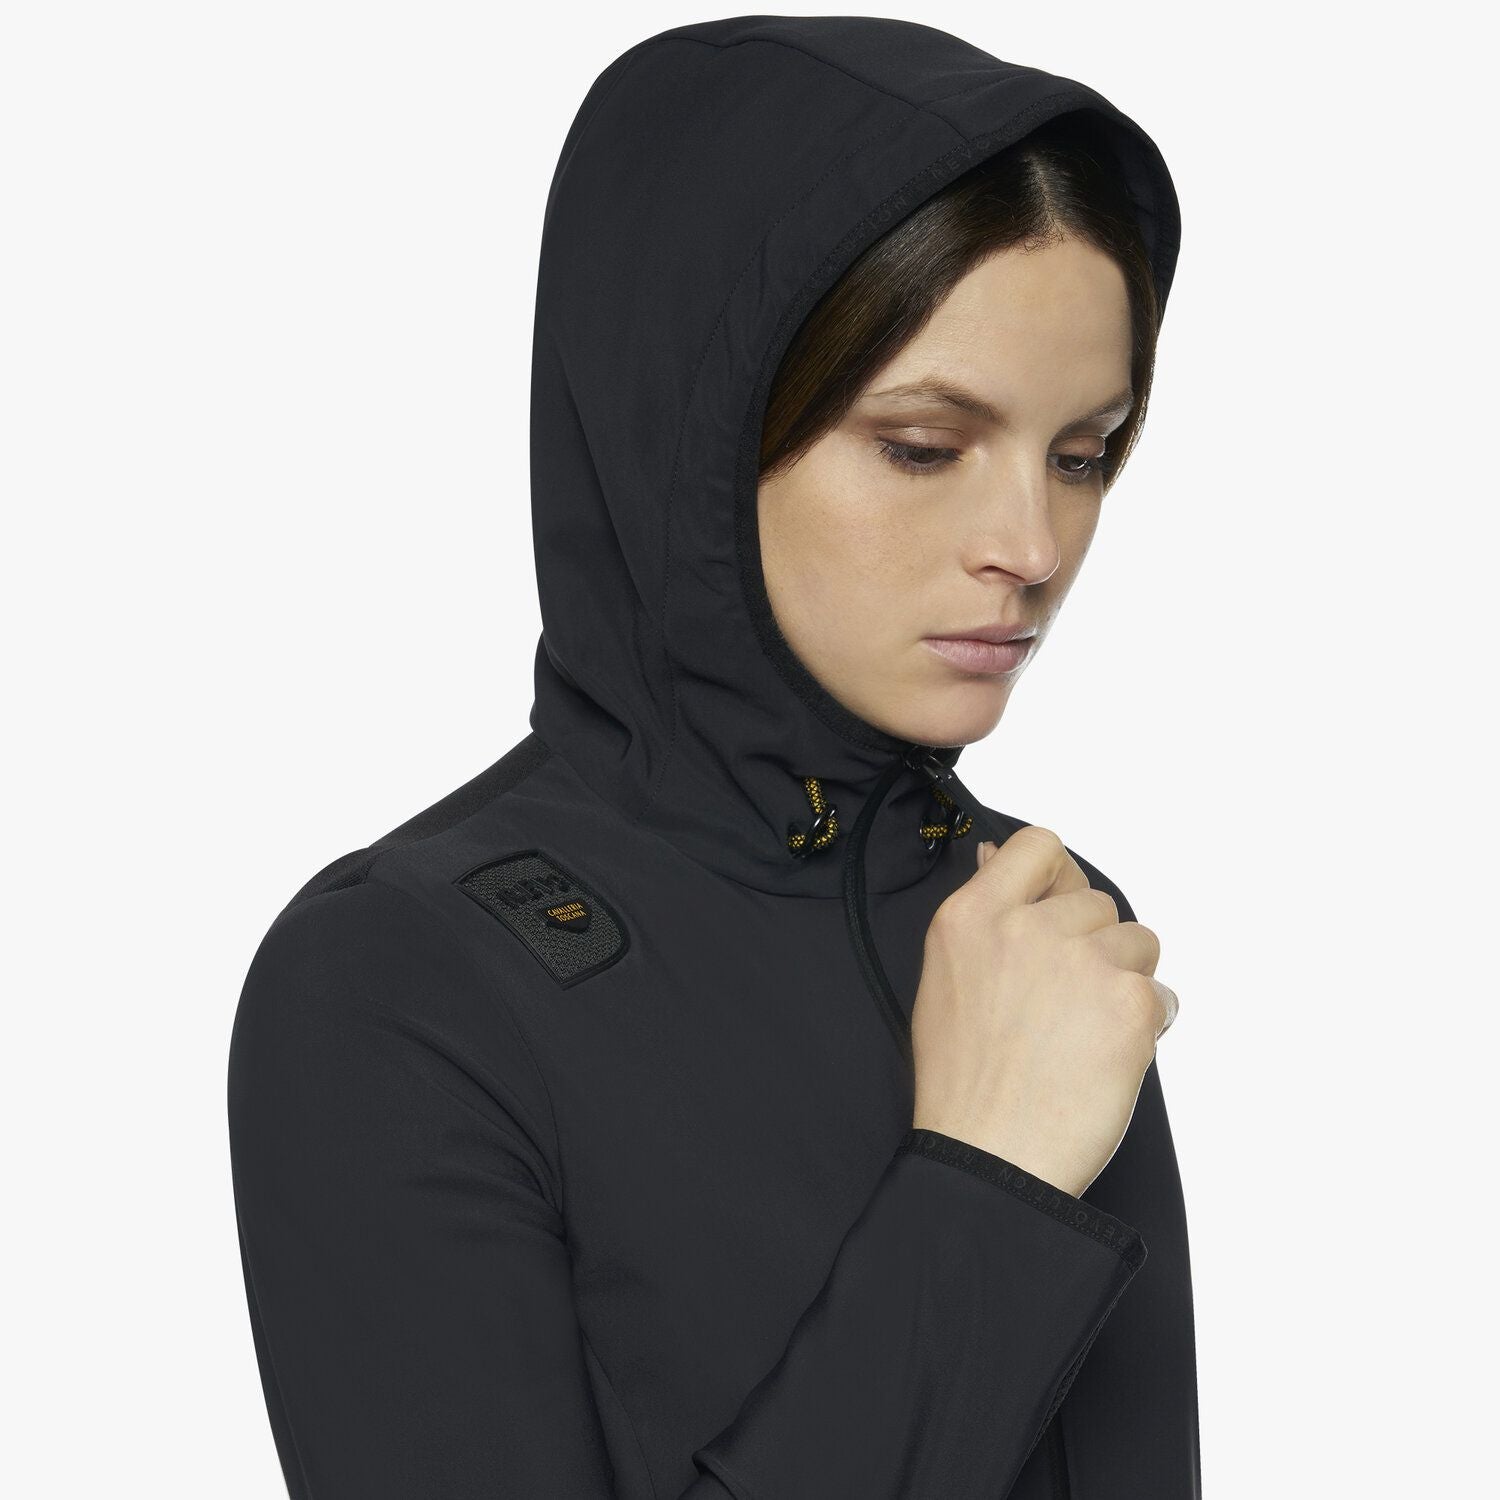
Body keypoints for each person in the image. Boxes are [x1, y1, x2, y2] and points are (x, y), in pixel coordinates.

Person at [227, 15, 1200, 1499]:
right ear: (690, 420)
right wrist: (989, 1185)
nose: (1033, 545)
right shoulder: (398, 987)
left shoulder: (1034, 923)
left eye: (1082, 454)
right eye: (924, 445)